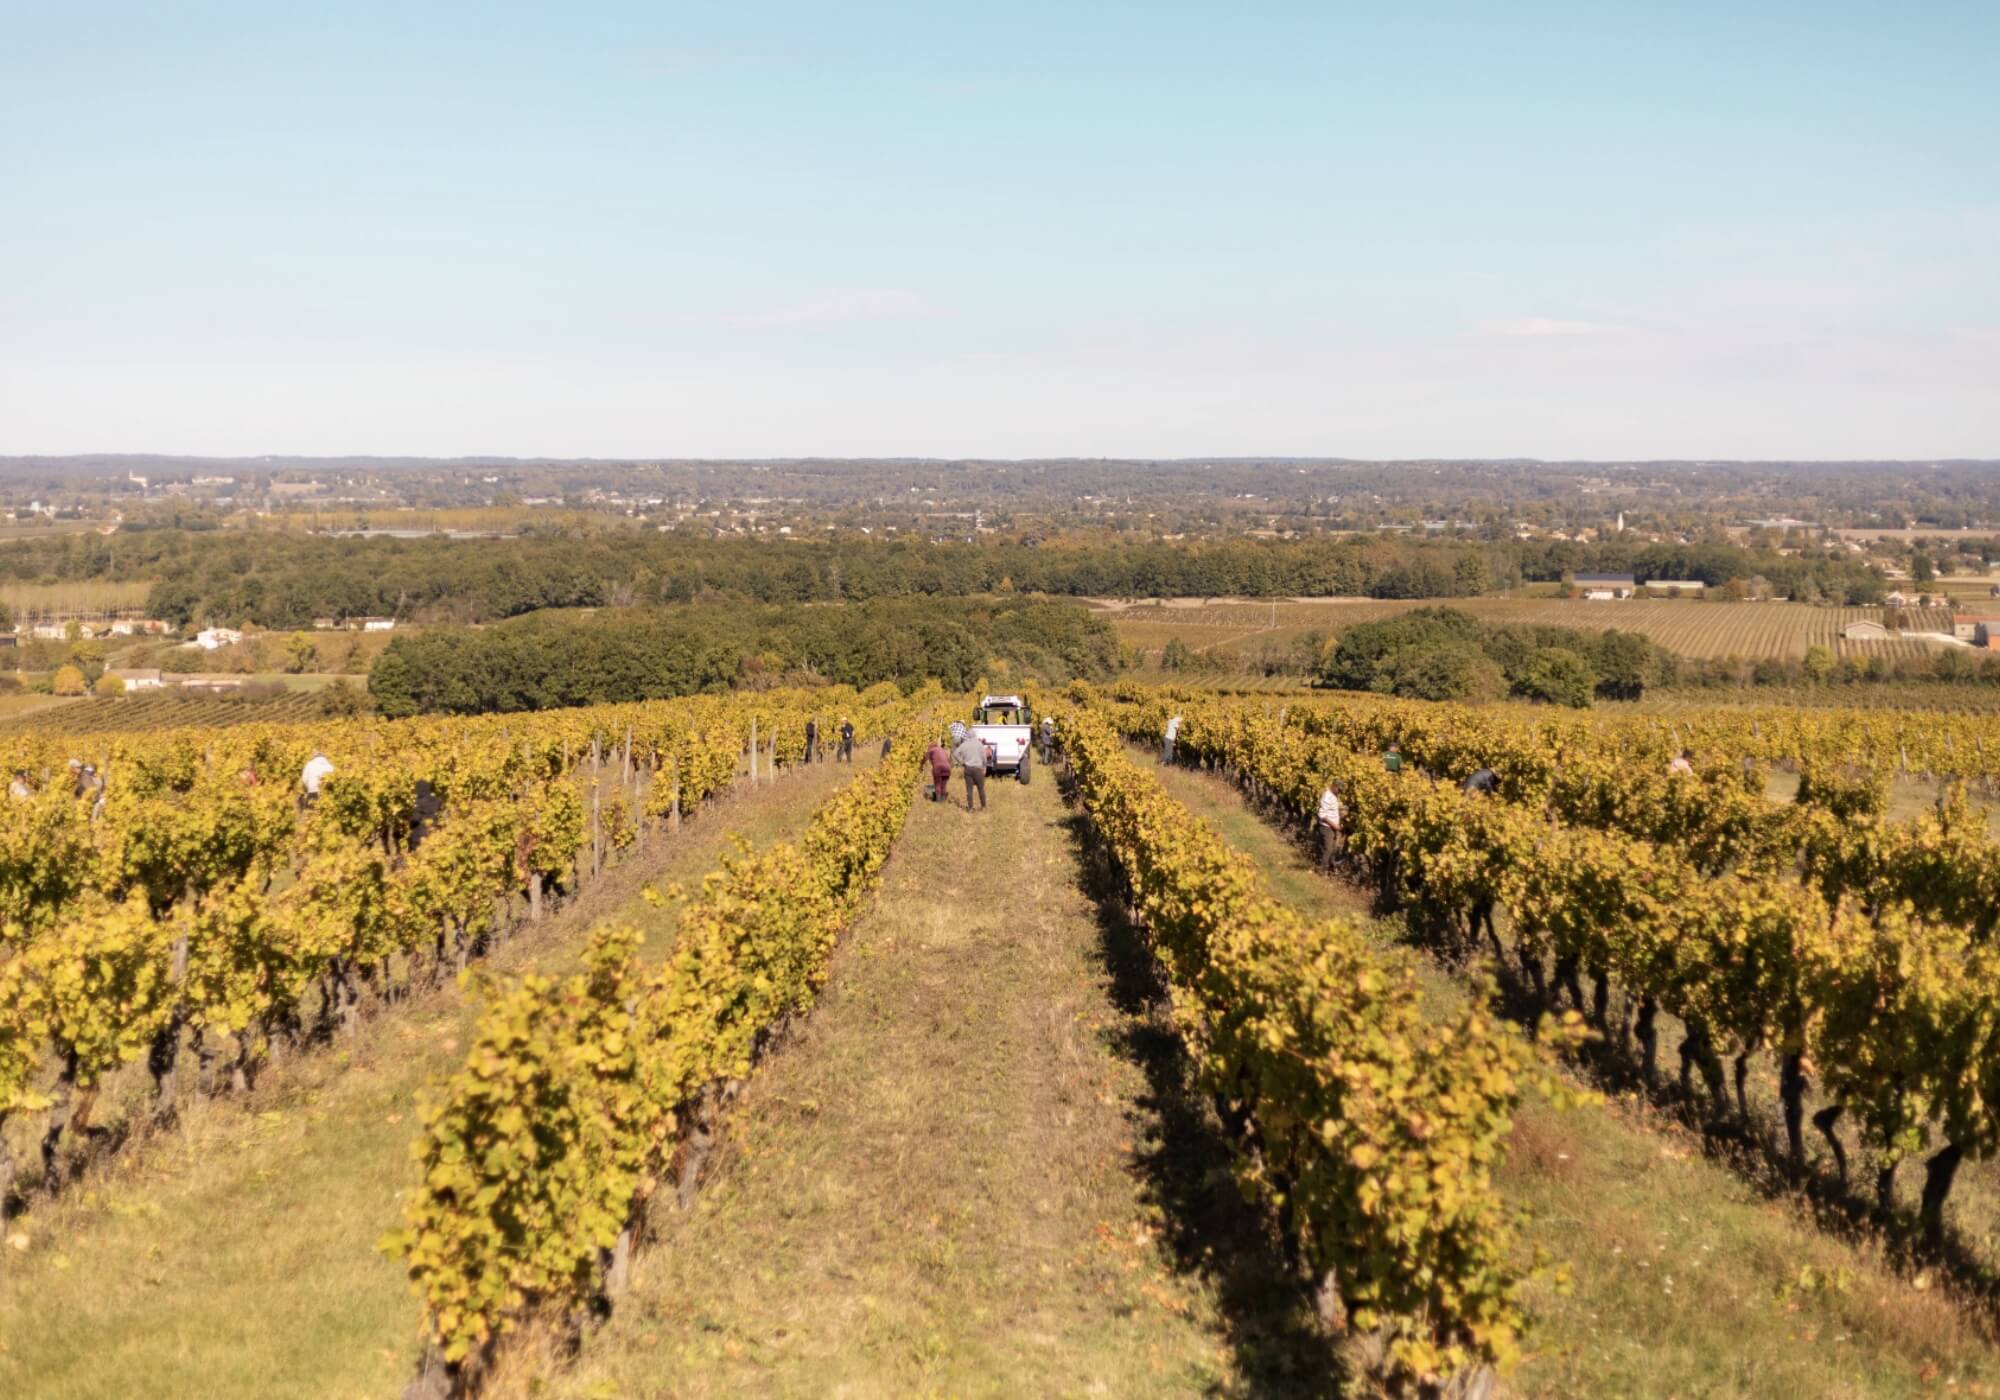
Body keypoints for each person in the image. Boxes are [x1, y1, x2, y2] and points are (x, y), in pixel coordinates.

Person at [952, 728, 989, 811]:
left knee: (969, 790)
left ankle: (970, 808)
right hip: (978, 769)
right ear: (975, 735)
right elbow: (984, 758)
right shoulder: (979, 744)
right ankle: (983, 807)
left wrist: (962, 762)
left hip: (968, 769)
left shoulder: (964, 744)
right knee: (981, 789)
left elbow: (955, 753)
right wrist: (984, 767)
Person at [1316, 780, 1344, 871]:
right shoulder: (1327, 797)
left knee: (1332, 849)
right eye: (1339, 790)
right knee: (1328, 849)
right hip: (1326, 827)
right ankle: (1322, 870)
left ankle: (1331, 868)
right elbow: (1322, 815)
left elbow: (1332, 810)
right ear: (1334, 786)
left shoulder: (1333, 796)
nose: (1340, 792)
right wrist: (1334, 825)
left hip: (1331, 827)